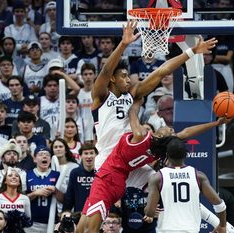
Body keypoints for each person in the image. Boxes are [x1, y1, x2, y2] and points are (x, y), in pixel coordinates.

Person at [79, 98, 232, 233]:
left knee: (164, 185)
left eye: (170, 131)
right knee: (163, 183)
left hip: (118, 168)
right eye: (171, 130)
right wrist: (216, 123)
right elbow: (186, 133)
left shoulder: (141, 137)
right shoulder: (160, 147)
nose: (171, 129)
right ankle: (221, 225)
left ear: (158, 135)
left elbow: (132, 114)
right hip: (121, 169)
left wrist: (136, 101)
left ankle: (161, 207)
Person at [91, 20, 217, 170]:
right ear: (112, 78)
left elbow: (161, 71)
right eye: (123, 76)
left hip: (130, 155)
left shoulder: (133, 94)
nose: (127, 79)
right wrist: (123, 45)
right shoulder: (101, 96)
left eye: (128, 76)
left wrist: (192, 52)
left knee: (156, 182)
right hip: (108, 158)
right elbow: (105, 70)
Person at [144, 137, 227, 233]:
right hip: (191, 229)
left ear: (167, 155)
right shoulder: (198, 176)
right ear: (186, 155)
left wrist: (148, 210)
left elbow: (149, 212)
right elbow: (220, 205)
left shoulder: (157, 177)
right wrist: (222, 225)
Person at [25, 146, 61, 233]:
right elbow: (21, 199)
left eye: (47, 155)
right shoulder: (26, 175)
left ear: (50, 159)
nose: (44, 156)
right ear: (34, 159)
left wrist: (55, 191)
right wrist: (35, 193)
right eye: (41, 154)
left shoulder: (57, 175)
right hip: (32, 222)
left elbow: (65, 199)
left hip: (52, 221)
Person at [63, 143, 97, 212]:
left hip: (96, 213)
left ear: (96, 155)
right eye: (86, 153)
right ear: (81, 156)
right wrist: (65, 212)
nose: (89, 156)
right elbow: (69, 197)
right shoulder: (75, 173)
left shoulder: (100, 172)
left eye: (91, 153)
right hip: (79, 214)